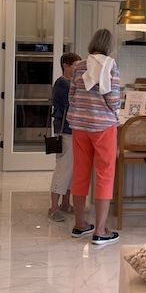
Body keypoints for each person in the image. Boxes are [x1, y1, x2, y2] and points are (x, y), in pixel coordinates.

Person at [67, 29, 121, 246]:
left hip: (79, 126)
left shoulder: (79, 66)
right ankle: (100, 230)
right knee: (104, 174)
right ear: (109, 46)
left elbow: (71, 96)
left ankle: (80, 224)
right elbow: (113, 101)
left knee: (80, 173)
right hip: (103, 127)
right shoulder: (111, 66)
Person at [48, 51, 82, 222]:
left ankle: (65, 203)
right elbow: (73, 103)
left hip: (71, 130)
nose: (78, 68)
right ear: (66, 66)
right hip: (64, 131)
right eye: (75, 65)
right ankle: (53, 208)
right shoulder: (62, 84)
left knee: (71, 170)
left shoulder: (69, 83)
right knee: (63, 169)